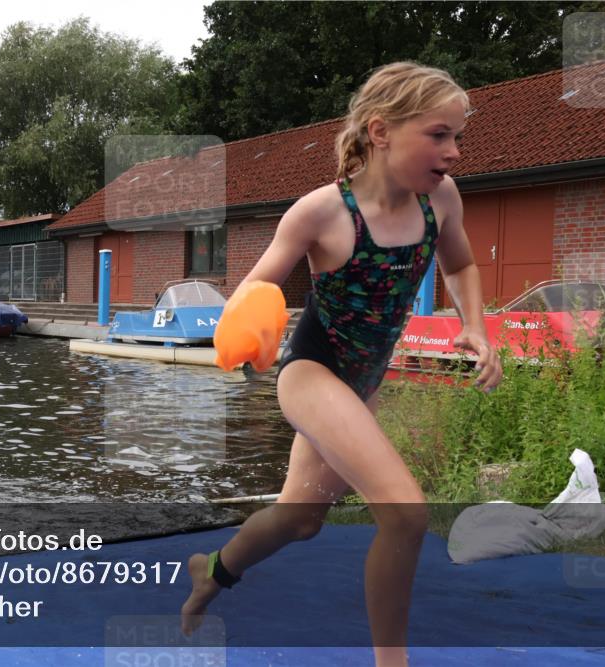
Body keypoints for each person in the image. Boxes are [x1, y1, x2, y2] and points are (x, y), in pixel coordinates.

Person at [180, 62, 503, 667]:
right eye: (439, 135)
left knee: (300, 520)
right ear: (381, 132)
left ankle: (213, 571)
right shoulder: (321, 213)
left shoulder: (442, 199)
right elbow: (256, 286)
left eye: (457, 137)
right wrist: (251, 326)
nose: (454, 152)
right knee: (407, 515)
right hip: (312, 372)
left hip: (364, 381)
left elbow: (460, 266)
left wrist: (475, 326)